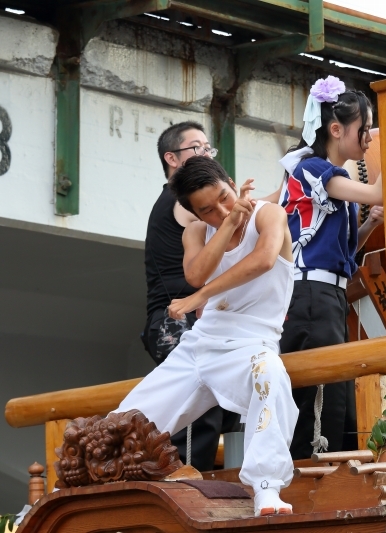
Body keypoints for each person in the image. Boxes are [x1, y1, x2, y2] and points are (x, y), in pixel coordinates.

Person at [118, 156, 298, 515]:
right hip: (199, 346)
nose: (221, 208)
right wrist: (229, 223)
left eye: (225, 196)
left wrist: (198, 299)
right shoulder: (197, 231)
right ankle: (73, 488)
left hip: (252, 343)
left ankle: (266, 486)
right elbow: (196, 275)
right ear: (197, 215)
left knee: (272, 377)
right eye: (208, 210)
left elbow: (263, 260)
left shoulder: (267, 214)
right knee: (124, 422)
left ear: (231, 182)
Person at [263, 76, 386, 459]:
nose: (369, 139)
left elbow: (345, 258)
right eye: (364, 130)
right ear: (335, 129)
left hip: (326, 294)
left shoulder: (334, 176)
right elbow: (378, 192)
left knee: (337, 396)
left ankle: (319, 477)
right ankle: (309, 481)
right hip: (311, 296)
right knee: (323, 397)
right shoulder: (313, 168)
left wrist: (366, 227)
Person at [143, 121, 239, 471]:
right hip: (174, 319)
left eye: (207, 148)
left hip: (183, 315)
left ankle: (195, 477)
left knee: (214, 402)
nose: (205, 154)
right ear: (172, 157)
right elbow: (230, 218)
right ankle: (186, 483)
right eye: (196, 148)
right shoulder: (178, 198)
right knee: (198, 401)